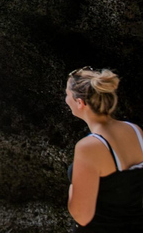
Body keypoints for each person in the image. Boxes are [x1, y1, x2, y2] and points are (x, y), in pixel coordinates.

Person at [66, 67, 143, 231]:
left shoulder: (89, 147)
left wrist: (73, 189)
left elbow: (82, 216)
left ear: (80, 102)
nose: (66, 100)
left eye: (67, 94)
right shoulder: (136, 131)